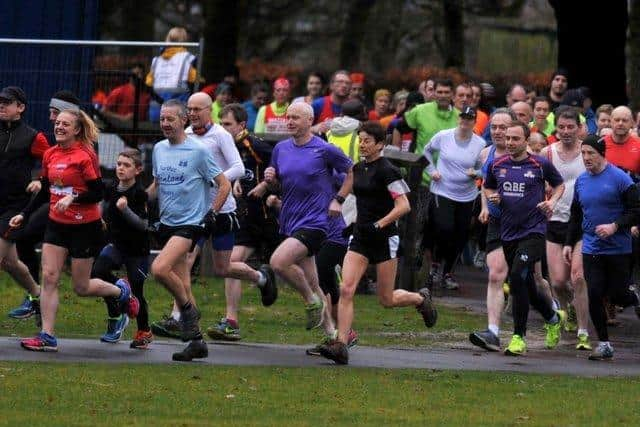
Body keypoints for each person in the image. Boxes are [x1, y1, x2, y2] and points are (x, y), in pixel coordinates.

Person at [151, 93, 277, 340]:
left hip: (222, 209)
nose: (194, 113)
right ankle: (179, 317)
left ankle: (261, 277)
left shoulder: (219, 134)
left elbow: (239, 168)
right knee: (183, 262)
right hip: (193, 213)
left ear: (210, 110)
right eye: (190, 109)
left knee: (222, 267)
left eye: (199, 108)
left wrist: (214, 180)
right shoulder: (183, 134)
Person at [16, 108, 138, 352]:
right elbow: (45, 189)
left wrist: (72, 199)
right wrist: (24, 214)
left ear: (77, 129)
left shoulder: (85, 155)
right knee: (49, 277)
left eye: (65, 124)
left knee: (81, 287)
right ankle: (47, 336)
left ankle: (120, 290)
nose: (59, 127)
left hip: (84, 226)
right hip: (56, 224)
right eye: (58, 123)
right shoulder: (50, 154)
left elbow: (97, 192)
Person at [318, 121, 437, 365]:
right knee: (347, 289)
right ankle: (341, 345)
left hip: (384, 238)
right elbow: (351, 178)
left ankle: (420, 299)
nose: (362, 144)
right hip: (360, 235)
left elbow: (404, 205)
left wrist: (381, 224)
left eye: (367, 141)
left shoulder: (388, 170)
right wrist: (338, 200)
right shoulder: (359, 167)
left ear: (380, 144)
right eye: (360, 140)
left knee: (386, 299)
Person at [249, 102, 352, 336]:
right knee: (314, 283)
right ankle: (332, 334)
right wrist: (269, 181)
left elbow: (351, 172)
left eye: (296, 117)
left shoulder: (324, 149)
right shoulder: (281, 148)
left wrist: (339, 200)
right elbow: (278, 183)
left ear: (309, 121)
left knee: (278, 262)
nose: (291, 121)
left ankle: (310, 302)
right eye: (288, 117)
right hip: (290, 221)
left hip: (316, 222)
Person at [146, 99, 230, 361]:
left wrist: (211, 214)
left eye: (170, 119)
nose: (165, 124)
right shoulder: (159, 149)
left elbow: (224, 184)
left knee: (159, 269)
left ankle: (187, 312)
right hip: (168, 224)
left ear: (184, 120)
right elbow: (157, 185)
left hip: (190, 225)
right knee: (183, 283)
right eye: (162, 119)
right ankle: (196, 342)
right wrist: (135, 198)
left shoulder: (199, 151)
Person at [483, 120, 567, 356]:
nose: (510, 143)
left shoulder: (539, 164)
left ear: (526, 141)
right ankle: (552, 317)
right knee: (526, 285)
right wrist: (493, 197)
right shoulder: (497, 164)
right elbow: (488, 187)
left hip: (534, 231)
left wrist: (551, 202)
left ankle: (518, 338)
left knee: (518, 277)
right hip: (508, 232)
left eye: (515, 139)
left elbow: (559, 185)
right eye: (507, 138)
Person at [564, 135, 640, 360]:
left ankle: (633, 298)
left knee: (617, 295)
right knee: (594, 293)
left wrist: (615, 226)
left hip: (618, 247)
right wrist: (569, 242)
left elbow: (636, 209)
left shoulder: (620, 178)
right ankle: (604, 344)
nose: (586, 158)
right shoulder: (582, 181)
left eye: (591, 154)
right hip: (592, 247)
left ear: (602, 153)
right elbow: (576, 214)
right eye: (584, 153)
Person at [211, 103, 281, 340]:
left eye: (228, 124)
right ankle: (231, 321)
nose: (223, 128)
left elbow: (283, 166)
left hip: (268, 217)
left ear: (241, 125)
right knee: (231, 263)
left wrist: (267, 187)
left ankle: (324, 314)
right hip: (245, 219)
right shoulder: (223, 148)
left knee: (297, 268)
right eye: (220, 123)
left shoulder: (255, 145)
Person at [539, 108, 590, 350]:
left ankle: (583, 332)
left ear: (579, 127)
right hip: (554, 222)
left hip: (581, 223)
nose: (566, 131)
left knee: (578, 277)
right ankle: (568, 308)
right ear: (556, 128)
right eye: (562, 127)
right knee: (558, 281)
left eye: (571, 127)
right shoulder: (547, 153)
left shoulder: (588, 151)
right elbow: (534, 182)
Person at [91, 149, 152, 348]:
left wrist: (125, 209)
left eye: (126, 165)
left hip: (137, 250)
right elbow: (102, 205)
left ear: (138, 170)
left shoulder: (139, 194)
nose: (121, 168)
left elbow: (143, 225)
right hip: (116, 245)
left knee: (137, 289)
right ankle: (116, 312)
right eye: (118, 164)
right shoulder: (111, 187)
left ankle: (144, 331)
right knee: (98, 272)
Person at [423, 106, 486, 290]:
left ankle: (448, 273)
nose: (465, 122)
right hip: (442, 190)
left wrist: (476, 173)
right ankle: (434, 265)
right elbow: (426, 152)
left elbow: (486, 168)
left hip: (466, 196)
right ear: (459, 119)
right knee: (444, 228)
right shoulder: (444, 136)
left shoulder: (480, 144)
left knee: (460, 235)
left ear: (474, 122)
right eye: (463, 118)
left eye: (469, 119)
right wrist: (432, 170)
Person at [0, 86, 48, 323]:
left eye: (7, 103)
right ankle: (38, 295)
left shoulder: (32, 136)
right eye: (0, 102)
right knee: (9, 263)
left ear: (20, 108)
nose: (1, 106)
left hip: (15, 208)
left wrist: (40, 180)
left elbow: (52, 162)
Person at [469, 108, 515, 351]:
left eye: (503, 127)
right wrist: (485, 206)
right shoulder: (486, 153)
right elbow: (487, 184)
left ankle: (551, 312)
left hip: (525, 224)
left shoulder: (530, 157)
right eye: (494, 127)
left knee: (531, 280)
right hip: (497, 222)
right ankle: (493, 332)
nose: (498, 131)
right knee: (496, 274)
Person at [145, 27, 197, 122]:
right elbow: (194, 81)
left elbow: (148, 84)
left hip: (156, 113)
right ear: (185, 40)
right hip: (178, 114)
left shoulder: (156, 60)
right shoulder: (188, 58)